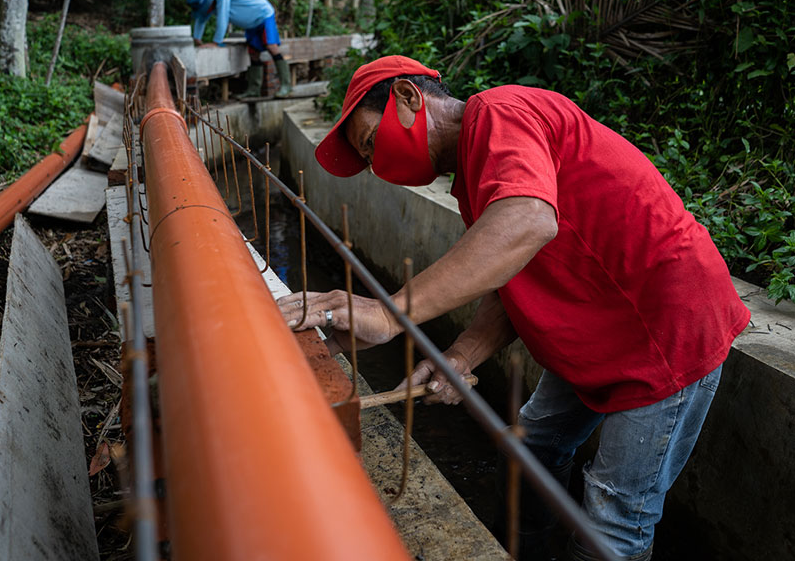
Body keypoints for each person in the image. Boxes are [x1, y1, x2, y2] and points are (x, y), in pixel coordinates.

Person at [277, 55, 750, 560]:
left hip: (666, 327)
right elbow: (516, 270)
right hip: (595, 324)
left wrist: (389, 313)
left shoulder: (499, 113)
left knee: (613, 517)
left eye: (372, 143)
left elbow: (528, 221)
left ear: (410, 99)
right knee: (531, 450)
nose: (378, 166)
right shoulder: (477, 171)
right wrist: (461, 355)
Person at [186, 0, 292, 98]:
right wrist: (196, 39)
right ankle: (254, 90)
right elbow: (201, 19)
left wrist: (216, 42)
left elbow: (223, 16)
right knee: (253, 54)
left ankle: (286, 86)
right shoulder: (209, 4)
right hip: (250, 25)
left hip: (263, 15)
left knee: (271, 47)